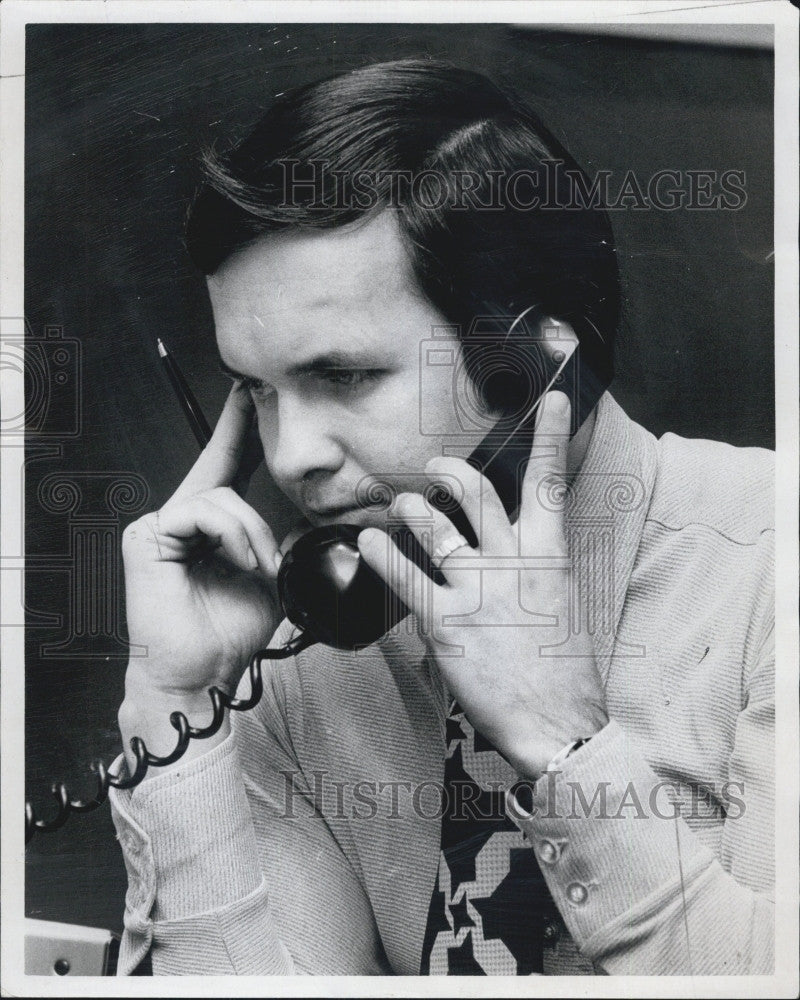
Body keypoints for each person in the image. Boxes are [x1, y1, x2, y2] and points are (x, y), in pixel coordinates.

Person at [109, 59, 774, 976]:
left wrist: (567, 748)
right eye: (256, 391)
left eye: (344, 376)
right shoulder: (302, 654)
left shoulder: (768, 576)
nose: (291, 454)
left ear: (538, 364)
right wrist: (178, 709)